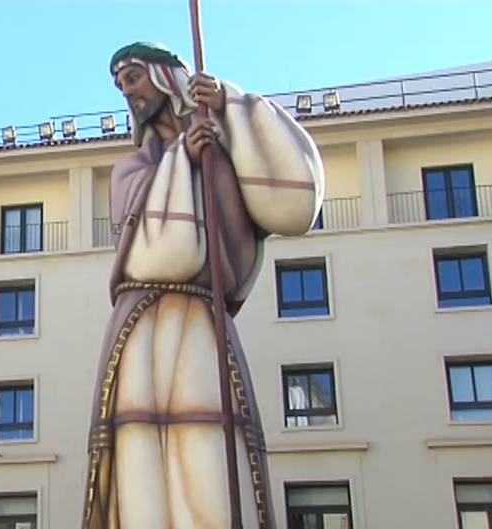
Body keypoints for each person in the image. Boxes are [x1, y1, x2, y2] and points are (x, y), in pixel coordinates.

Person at [83, 42, 324, 529]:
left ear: (166, 77)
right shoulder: (130, 170)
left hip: (201, 319)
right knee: (139, 455)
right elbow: (160, 250)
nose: (126, 92)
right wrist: (181, 162)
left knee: (210, 448)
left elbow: (292, 207)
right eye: (119, 84)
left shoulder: (221, 145)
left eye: (132, 78)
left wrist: (230, 103)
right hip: (142, 322)